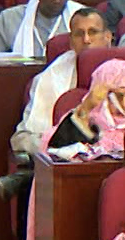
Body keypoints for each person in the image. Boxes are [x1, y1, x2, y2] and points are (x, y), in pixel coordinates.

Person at [9, 9, 110, 161]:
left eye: (93, 32)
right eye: (79, 34)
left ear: (107, 37)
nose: (86, 39)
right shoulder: (49, 77)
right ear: (70, 42)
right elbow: (23, 138)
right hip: (62, 157)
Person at [46, 58, 125, 153]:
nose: (124, 105)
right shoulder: (82, 122)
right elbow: (56, 155)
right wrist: (87, 107)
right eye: (115, 97)